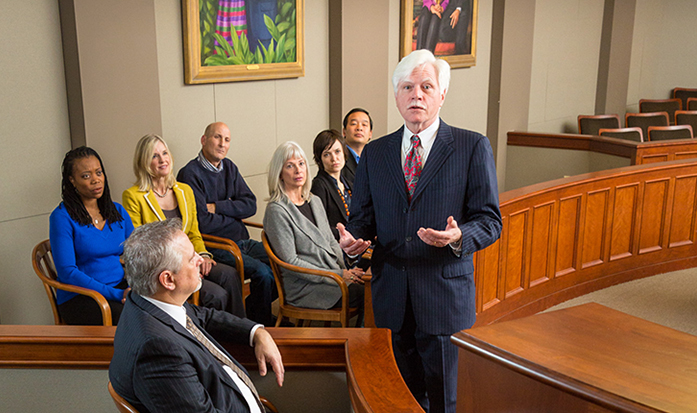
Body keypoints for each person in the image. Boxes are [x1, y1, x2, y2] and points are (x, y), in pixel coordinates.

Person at [338, 49, 502, 412]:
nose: (417, 95)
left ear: (442, 94)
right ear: (396, 95)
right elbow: (362, 219)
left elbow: (491, 221)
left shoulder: (471, 146)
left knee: (445, 399)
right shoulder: (375, 154)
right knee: (400, 397)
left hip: (443, 296)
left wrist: (459, 238)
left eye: (427, 86)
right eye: (408, 87)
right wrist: (352, 242)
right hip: (391, 297)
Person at [109, 219, 284, 413]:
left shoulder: (146, 301)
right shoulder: (158, 350)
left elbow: (203, 316)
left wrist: (257, 332)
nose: (201, 259)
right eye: (192, 258)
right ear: (168, 279)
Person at [122, 134, 245, 318]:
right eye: (154, 156)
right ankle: (209, 341)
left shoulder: (184, 190)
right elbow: (139, 245)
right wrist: (185, 266)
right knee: (217, 295)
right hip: (165, 268)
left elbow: (193, 232)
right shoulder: (133, 196)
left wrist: (202, 255)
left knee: (229, 275)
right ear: (144, 162)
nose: (162, 159)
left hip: (192, 257)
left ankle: (240, 334)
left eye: (165, 153)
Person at [177, 122, 276, 326]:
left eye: (227, 139)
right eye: (217, 137)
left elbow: (250, 205)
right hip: (219, 246)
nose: (222, 144)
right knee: (263, 273)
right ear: (204, 140)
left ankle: (254, 311)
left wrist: (218, 206)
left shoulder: (229, 167)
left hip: (242, 241)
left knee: (281, 260)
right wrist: (233, 212)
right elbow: (202, 222)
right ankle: (260, 324)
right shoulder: (190, 173)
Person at [263, 141, 365, 326]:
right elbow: (290, 261)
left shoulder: (314, 200)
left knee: (373, 283)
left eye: (301, 164)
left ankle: (364, 342)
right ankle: (360, 346)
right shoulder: (277, 210)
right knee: (370, 293)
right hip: (305, 286)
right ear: (279, 173)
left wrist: (347, 271)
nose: (298, 170)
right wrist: (339, 274)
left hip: (331, 277)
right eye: (290, 166)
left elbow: (331, 242)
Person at [49, 146, 134, 325]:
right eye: (86, 176)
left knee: (158, 310)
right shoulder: (61, 217)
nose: (96, 180)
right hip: (80, 296)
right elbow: (67, 272)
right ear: (72, 180)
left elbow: (138, 251)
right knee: (133, 320)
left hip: (119, 287)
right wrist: (116, 294)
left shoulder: (117, 211)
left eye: (99, 172)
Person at [310, 129, 353, 241]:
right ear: (320, 159)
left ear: (344, 152)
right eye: (327, 154)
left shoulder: (349, 184)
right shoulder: (318, 185)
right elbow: (319, 226)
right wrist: (346, 235)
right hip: (336, 245)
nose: (334, 158)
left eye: (337, 151)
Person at [341, 108, 373, 181]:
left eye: (364, 125)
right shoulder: (338, 158)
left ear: (370, 133)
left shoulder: (375, 159)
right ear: (344, 132)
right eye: (354, 124)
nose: (359, 128)